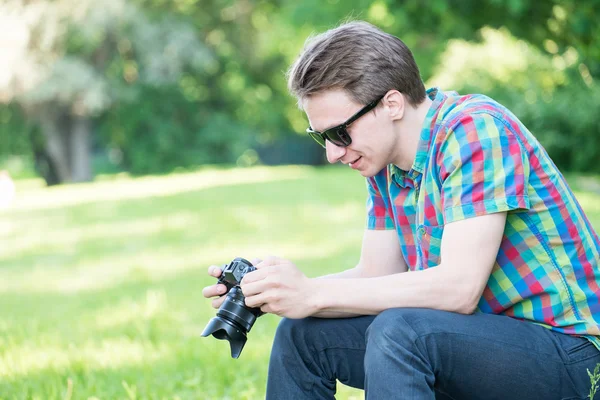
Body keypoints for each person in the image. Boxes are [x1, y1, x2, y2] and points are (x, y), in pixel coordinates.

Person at [202, 21, 600, 399]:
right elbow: (375, 275)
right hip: (476, 343)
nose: (333, 152)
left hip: (572, 355)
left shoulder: (475, 130)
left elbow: (459, 288)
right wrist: (277, 291)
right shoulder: (383, 165)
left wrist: (314, 292)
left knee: (402, 329)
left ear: (392, 103)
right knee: (302, 333)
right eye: (321, 136)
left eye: (341, 133)